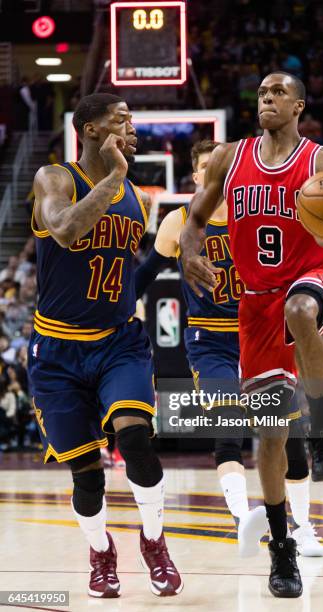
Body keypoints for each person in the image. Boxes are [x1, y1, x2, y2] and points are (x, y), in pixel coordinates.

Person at [179, 72, 323, 598]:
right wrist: (190, 250)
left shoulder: (322, 162)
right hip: (255, 307)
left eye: (278, 93)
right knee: (270, 436)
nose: (267, 100)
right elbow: (194, 217)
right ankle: (281, 549)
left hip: (314, 279)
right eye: (261, 93)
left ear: (299, 105)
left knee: (300, 310)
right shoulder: (229, 157)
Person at [134, 140, 323, 558]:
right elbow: (145, 274)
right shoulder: (180, 221)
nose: (214, 173)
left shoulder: (256, 210)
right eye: (205, 167)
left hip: (263, 331)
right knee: (227, 428)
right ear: (197, 177)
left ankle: (305, 527)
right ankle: (243, 522)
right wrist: (112, 312)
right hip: (211, 336)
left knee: (289, 434)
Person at [28, 93, 182, 599]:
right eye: (121, 121)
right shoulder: (55, 178)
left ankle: (155, 543)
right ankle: (100, 553)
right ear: (90, 130)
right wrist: (114, 180)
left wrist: (176, 262)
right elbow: (67, 230)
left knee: (135, 439)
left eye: (133, 121)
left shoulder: (139, 198)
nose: (133, 130)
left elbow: (124, 282)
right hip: (56, 353)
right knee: (86, 476)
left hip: (120, 342)